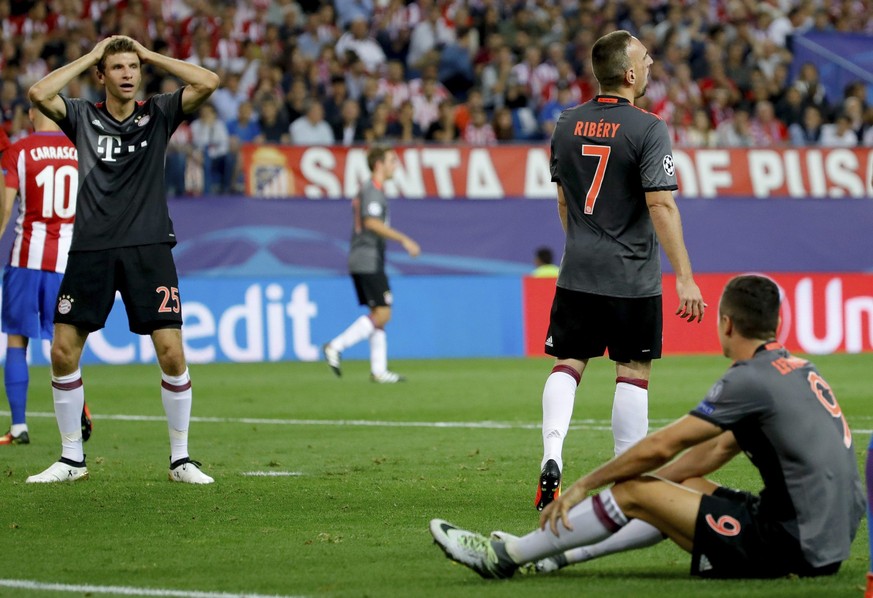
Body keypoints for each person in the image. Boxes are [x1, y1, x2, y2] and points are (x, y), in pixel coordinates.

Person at [431, 274, 865, 581]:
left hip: (794, 546)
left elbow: (665, 444)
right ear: (777, 324)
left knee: (635, 492)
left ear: (727, 323)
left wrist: (587, 485)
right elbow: (711, 453)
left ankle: (506, 556)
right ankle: (553, 555)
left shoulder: (748, 379)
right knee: (675, 485)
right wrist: (652, 486)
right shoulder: (798, 369)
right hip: (829, 540)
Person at [25, 35, 219, 483]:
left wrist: (151, 55)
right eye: (118, 68)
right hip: (91, 247)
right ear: (102, 76)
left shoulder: (160, 112)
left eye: (133, 67)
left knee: (171, 352)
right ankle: (72, 459)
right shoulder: (82, 116)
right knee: (61, 351)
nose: (128, 74)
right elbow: (38, 94)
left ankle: (180, 459)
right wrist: (91, 54)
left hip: (148, 246)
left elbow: (208, 81)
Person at [532, 30, 705, 512]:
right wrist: (685, 277)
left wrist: (582, 245)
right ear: (629, 74)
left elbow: (564, 199)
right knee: (632, 373)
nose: (651, 65)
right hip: (631, 276)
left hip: (578, 269)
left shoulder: (565, 124)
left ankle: (551, 458)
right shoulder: (649, 129)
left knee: (567, 363)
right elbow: (661, 205)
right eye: (646, 60)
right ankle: (626, 481)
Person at [0, 107, 92, 446]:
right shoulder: (80, 150)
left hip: (26, 259)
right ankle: (79, 406)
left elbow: (5, 210)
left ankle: (19, 426)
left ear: (29, 114)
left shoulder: (19, 151)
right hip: (67, 262)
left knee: (15, 340)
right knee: (65, 344)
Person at [322, 146, 420, 384]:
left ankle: (379, 370)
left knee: (378, 313)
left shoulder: (369, 190)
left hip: (364, 258)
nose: (395, 165)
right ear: (379, 165)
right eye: (392, 161)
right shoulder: (372, 191)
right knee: (384, 312)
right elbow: (372, 223)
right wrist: (404, 239)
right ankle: (336, 345)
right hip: (367, 259)